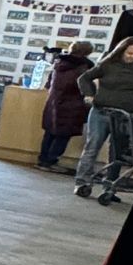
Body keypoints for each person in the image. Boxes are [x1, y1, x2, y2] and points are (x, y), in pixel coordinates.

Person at [74, 36, 133, 204]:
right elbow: (84, 78)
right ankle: (82, 182)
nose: (132, 57)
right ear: (121, 50)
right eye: (129, 53)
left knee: (118, 153)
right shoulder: (107, 64)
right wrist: (89, 94)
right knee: (92, 146)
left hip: (126, 114)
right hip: (101, 112)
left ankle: (110, 186)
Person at [37, 42, 91, 170]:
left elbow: (49, 84)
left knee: (50, 133)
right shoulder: (83, 67)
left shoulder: (58, 63)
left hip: (54, 102)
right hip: (72, 105)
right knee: (63, 135)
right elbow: (83, 87)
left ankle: (42, 159)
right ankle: (51, 161)